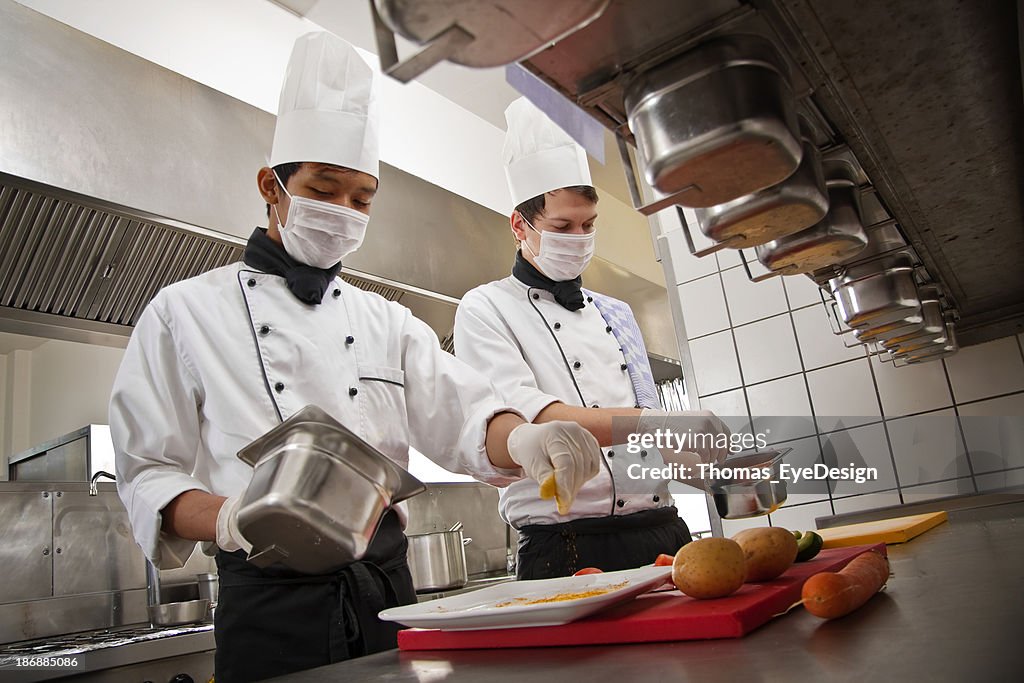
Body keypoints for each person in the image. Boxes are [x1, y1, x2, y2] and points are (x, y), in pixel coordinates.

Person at [110, 35, 602, 682]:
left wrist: (532, 437)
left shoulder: (385, 321)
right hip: (268, 607)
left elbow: (467, 414)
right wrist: (232, 517)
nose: (344, 212)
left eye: (362, 198)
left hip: (384, 593)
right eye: (325, 189)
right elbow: (149, 473)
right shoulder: (184, 313)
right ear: (271, 185)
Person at [454, 98, 730, 580]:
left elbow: (643, 438)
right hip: (567, 546)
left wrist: (710, 471)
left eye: (588, 226)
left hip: (664, 531)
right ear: (520, 226)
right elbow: (538, 418)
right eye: (562, 227)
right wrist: (657, 422)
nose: (579, 238)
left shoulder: (616, 313)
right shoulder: (485, 308)